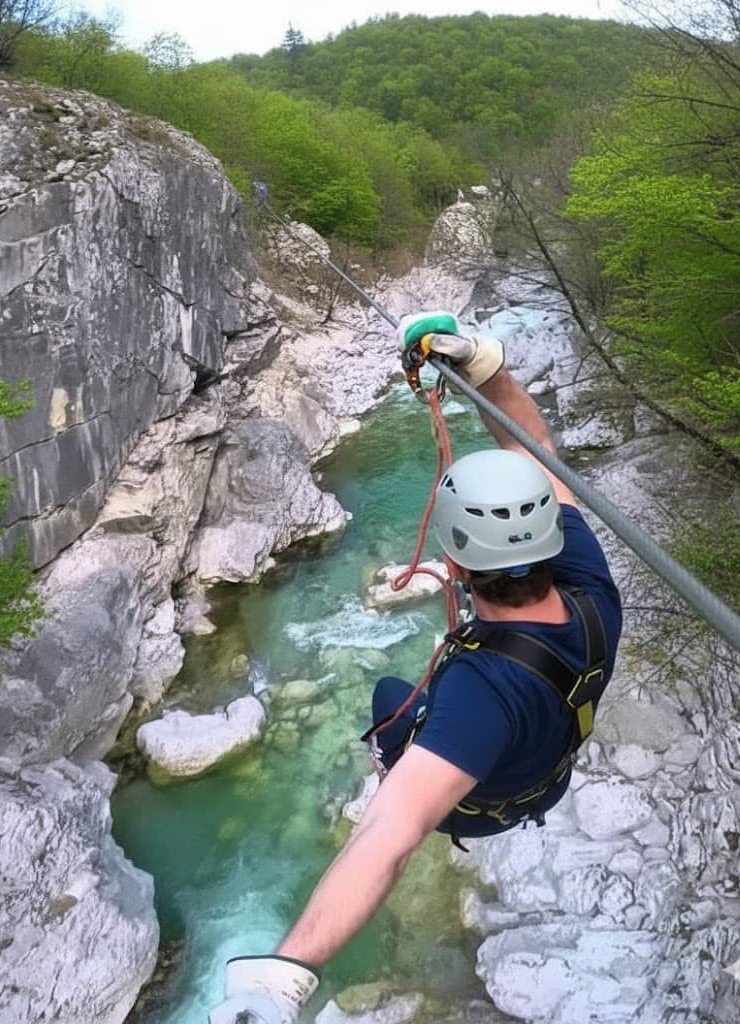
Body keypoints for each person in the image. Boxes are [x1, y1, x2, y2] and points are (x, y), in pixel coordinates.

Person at [208, 311, 624, 1024]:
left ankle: (387, 755)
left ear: (453, 566)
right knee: (399, 691)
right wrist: (480, 366)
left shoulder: (482, 695)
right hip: (546, 752)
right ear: (551, 538)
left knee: (390, 699)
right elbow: (538, 448)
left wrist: (285, 975)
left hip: (487, 802)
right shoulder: (591, 587)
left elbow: (388, 837)